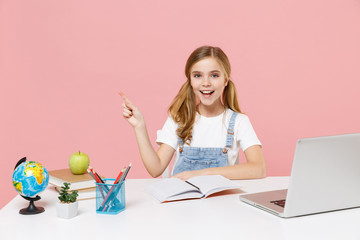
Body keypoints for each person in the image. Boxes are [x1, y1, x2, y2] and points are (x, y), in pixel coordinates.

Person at [119, 46, 265, 181]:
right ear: (190, 81)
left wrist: (203, 173)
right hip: (182, 205)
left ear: (225, 80)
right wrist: (139, 127)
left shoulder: (239, 121)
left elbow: (258, 169)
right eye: (197, 76)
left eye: (214, 75)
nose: (206, 83)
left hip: (221, 204)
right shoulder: (179, 119)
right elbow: (155, 169)